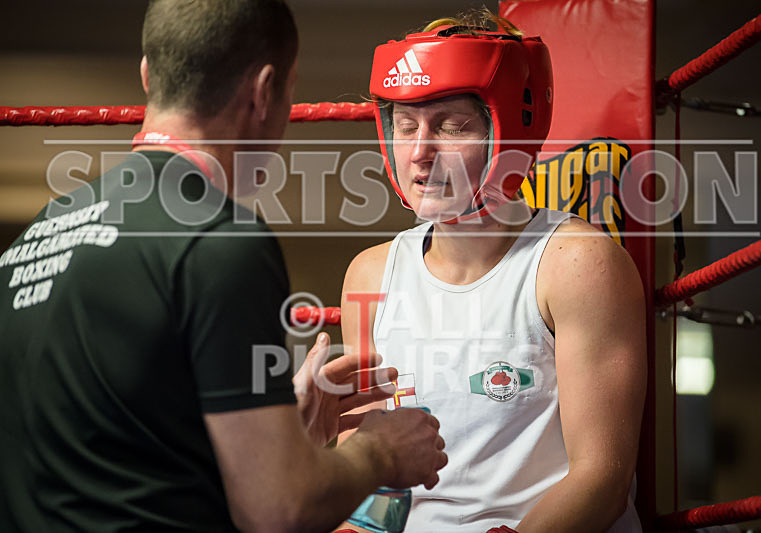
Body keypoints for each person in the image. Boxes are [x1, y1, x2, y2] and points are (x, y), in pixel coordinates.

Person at [0, 1, 447, 531]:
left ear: (148, 76)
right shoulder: (219, 239)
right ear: (263, 92)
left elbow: (111, 462)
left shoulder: (38, 232)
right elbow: (280, 510)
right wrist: (380, 451)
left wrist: (286, 434)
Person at [339, 12, 646, 533]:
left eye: (451, 126)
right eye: (406, 126)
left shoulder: (574, 264)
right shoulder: (371, 275)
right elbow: (369, 470)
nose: (419, 154)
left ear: (510, 129)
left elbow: (602, 482)